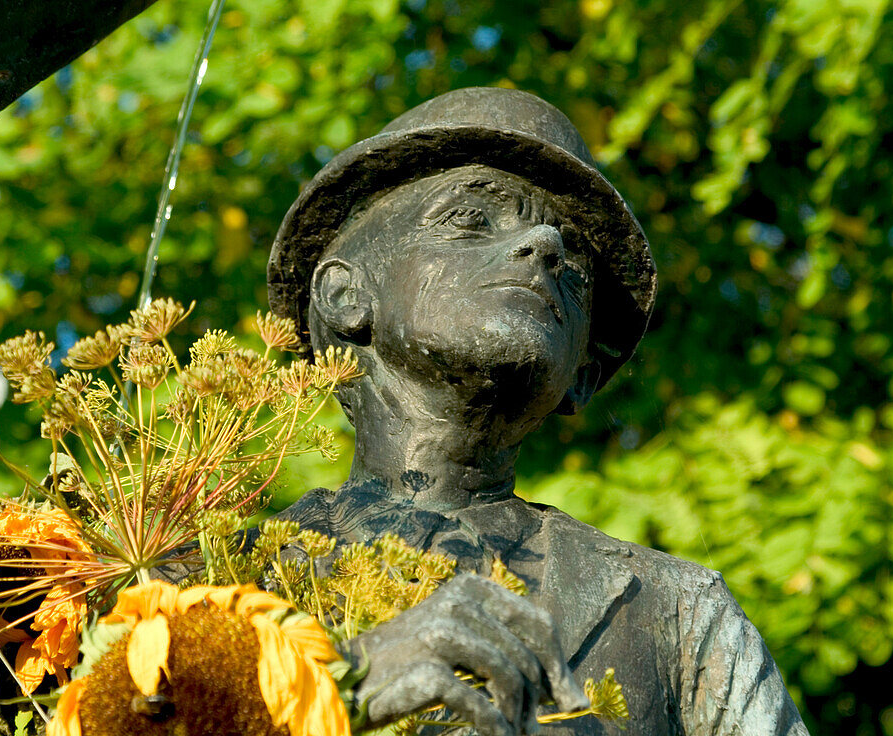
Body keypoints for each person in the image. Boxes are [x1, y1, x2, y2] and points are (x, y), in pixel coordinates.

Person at [267, 87, 809, 736]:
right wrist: (331, 694)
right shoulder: (193, 585)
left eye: (574, 267)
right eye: (469, 219)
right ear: (344, 295)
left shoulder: (679, 615)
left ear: (584, 372)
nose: (546, 247)